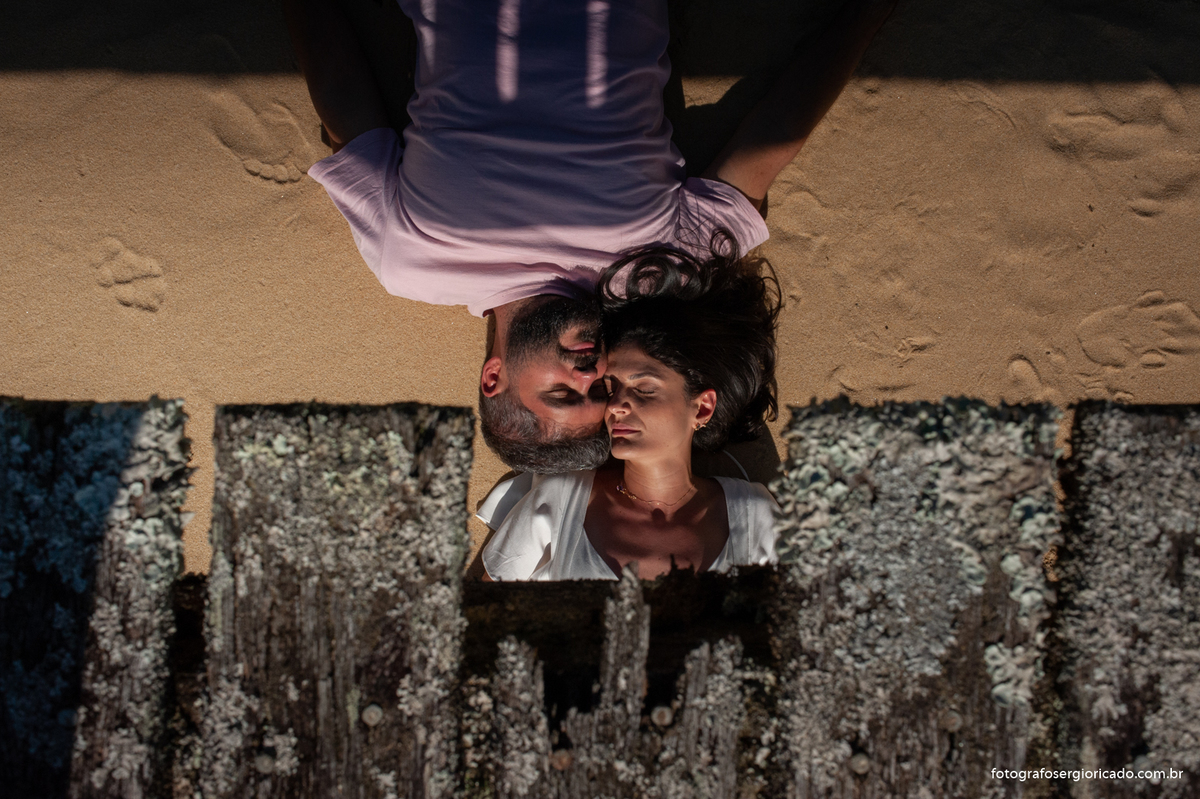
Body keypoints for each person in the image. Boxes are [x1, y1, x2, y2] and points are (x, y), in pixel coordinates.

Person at [284, 0, 897, 472]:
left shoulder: (409, 263)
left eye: (563, 393)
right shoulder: (655, 269)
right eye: (602, 388)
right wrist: (867, 17)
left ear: (494, 378)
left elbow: (345, 108)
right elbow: (770, 145)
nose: (591, 373)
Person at [478, 234, 782, 580]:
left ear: (701, 408)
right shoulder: (561, 500)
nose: (617, 406)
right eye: (610, 387)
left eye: (644, 389)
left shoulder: (753, 515)